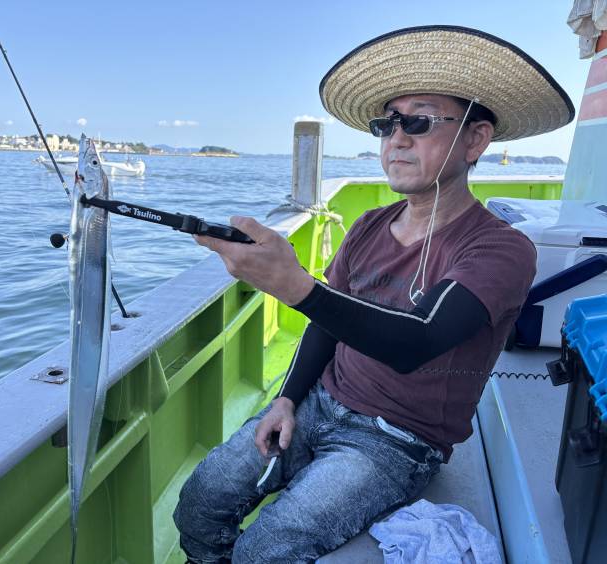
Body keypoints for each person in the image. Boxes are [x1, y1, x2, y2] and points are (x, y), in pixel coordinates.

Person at [173, 25, 574, 563]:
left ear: (476, 139)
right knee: (200, 502)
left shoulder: (501, 248)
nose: (396, 140)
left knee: (264, 548)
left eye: (419, 122)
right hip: (319, 402)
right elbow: (326, 325)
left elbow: (417, 342)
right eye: (387, 124)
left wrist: (296, 286)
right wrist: (287, 398)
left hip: (397, 441)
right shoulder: (367, 225)